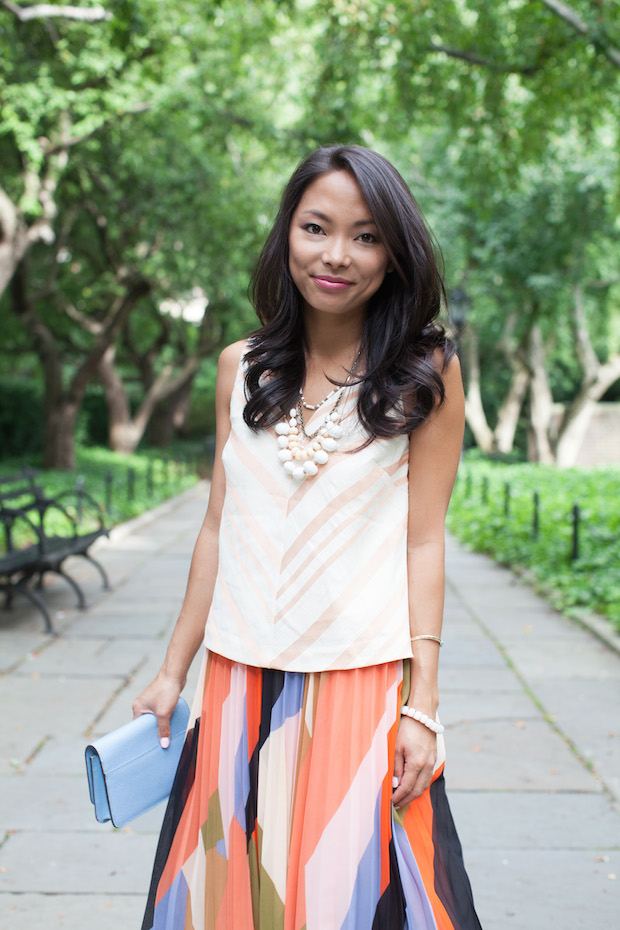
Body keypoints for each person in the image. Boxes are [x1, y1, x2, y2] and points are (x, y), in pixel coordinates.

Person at [134, 144, 482, 930]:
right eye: (316, 228)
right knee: (228, 899)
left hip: (357, 684)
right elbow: (218, 528)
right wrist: (171, 671)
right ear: (286, 233)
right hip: (234, 680)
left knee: (344, 900)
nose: (336, 255)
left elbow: (425, 542)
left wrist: (422, 707)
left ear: (394, 254)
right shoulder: (241, 367)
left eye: (365, 236)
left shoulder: (426, 371)